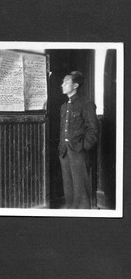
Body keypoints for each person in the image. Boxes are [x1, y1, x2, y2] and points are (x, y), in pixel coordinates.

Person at [58, 71, 99, 209]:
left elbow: (93, 130)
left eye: (66, 82)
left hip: (79, 153)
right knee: (69, 190)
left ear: (75, 85)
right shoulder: (64, 106)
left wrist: (83, 147)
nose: (62, 85)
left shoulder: (86, 103)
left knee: (81, 192)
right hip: (65, 152)